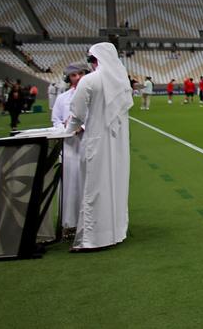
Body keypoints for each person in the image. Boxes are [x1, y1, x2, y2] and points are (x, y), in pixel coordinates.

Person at [65, 42, 132, 252]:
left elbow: (77, 112)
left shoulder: (90, 80)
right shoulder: (121, 81)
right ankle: (115, 230)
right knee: (116, 183)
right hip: (119, 142)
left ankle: (93, 237)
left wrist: (67, 131)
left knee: (94, 186)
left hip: (96, 139)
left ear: (95, 60)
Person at [53, 62, 90, 238]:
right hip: (68, 147)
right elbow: (56, 120)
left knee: (86, 183)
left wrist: (81, 127)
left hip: (86, 143)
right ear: (69, 78)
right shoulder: (62, 98)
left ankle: (87, 222)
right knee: (69, 184)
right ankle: (68, 224)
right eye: (74, 75)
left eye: (81, 74)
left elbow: (95, 117)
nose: (78, 78)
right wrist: (66, 129)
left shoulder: (92, 96)